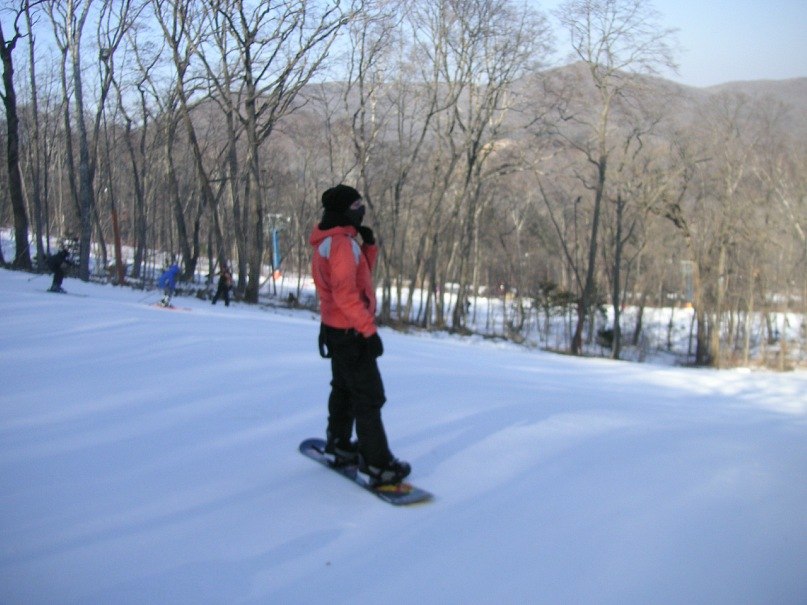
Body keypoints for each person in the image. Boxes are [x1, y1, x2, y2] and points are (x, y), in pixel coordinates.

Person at [310, 184, 411, 486]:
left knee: (343, 389)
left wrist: (368, 248)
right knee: (369, 396)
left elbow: (357, 278)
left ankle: (338, 445)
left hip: (337, 328)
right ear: (343, 211)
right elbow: (346, 293)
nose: (362, 210)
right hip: (350, 330)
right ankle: (376, 463)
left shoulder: (335, 241)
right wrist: (369, 331)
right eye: (357, 206)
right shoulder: (340, 243)